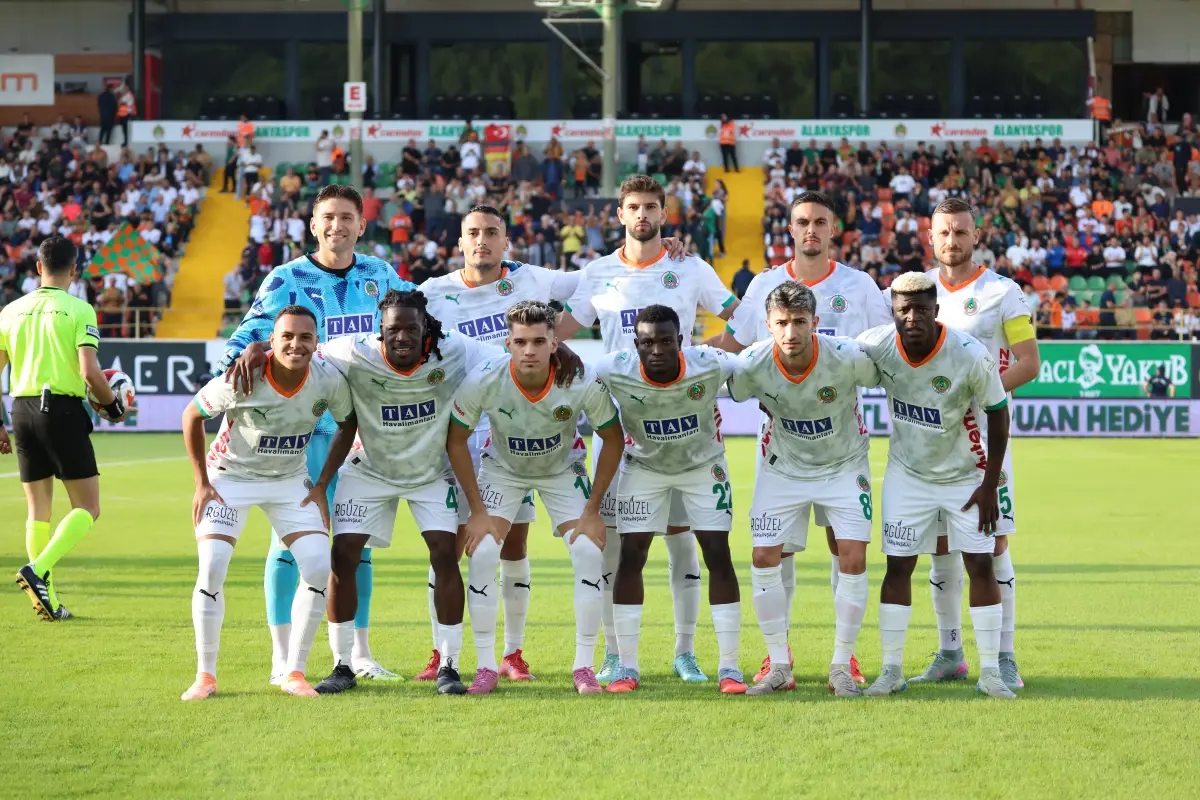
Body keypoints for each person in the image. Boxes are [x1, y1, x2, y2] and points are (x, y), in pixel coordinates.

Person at [217, 185, 417, 684]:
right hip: (302, 431)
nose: (337, 226)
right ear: (313, 224)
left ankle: (359, 654)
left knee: (356, 543)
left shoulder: (381, 276)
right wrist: (250, 352)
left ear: (361, 224)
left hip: (362, 430)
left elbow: (420, 325)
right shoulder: (285, 279)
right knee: (289, 541)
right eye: (328, 217)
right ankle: (281, 658)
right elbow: (239, 344)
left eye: (347, 217)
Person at [555, 173, 740, 685]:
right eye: (633, 207)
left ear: (664, 213)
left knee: (683, 544)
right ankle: (616, 655)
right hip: (619, 431)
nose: (642, 214)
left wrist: (706, 355)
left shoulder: (689, 267)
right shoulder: (597, 272)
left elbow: (742, 319)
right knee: (615, 547)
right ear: (620, 214)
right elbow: (559, 332)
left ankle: (686, 652)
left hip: (683, 428)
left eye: (651, 207)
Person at [714, 190, 889, 686]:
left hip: (841, 444)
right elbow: (731, 351)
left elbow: (885, 354)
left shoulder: (860, 286)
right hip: (781, 446)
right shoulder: (763, 285)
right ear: (789, 229)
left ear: (833, 229)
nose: (811, 229)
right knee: (777, 550)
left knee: (843, 545)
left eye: (819, 222)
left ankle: (845, 659)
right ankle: (779, 655)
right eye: (802, 222)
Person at [310, 290, 506, 696]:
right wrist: (256, 352)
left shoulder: (454, 348)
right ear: (379, 331)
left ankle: (449, 666)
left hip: (429, 473)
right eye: (393, 329)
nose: (402, 337)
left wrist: (561, 353)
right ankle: (342, 664)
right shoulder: (353, 351)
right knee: (342, 556)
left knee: (445, 555)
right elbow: (300, 351)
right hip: (369, 470)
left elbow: (507, 358)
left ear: (426, 329)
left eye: (411, 329)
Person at [448, 300, 626, 695]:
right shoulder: (485, 378)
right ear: (508, 344)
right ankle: (486, 667)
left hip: (562, 471)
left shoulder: (580, 379)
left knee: (589, 552)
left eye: (539, 342)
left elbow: (613, 438)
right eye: (521, 342)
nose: (529, 350)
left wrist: (593, 509)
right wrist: (476, 510)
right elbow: (457, 439)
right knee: (481, 553)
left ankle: (583, 667)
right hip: (503, 470)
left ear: (554, 343)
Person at [856, 271, 1015, 699]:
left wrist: (989, 484)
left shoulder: (968, 353)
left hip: (965, 477)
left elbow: (998, 413)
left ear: (936, 310)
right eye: (903, 310)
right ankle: (891, 670)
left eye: (921, 309)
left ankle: (991, 672)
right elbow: (833, 365)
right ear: (893, 311)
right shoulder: (875, 345)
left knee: (980, 564)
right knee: (898, 566)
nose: (912, 318)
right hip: (907, 476)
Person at [180, 305, 351, 700]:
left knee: (317, 566)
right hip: (230, 478)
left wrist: (322, 483)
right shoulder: (244, 376)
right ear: (271, 340)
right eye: (286, 336)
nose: (296, 344)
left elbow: (348, 423)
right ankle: (205, 676)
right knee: (212, 566)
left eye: (305, 337)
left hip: (289, 481)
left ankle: (294, 672)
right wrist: (201, 483)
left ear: (316, 342)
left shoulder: (327, 378)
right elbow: (192, 415)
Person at [726, 282, 879, 696]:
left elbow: (890, 374)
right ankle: (778, 666)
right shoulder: (752, 364)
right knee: (763, 557)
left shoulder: (847, 357)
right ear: (768, 324)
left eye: (799, 321)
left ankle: (841, 665)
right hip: (783, 468)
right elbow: (724, 387)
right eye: (781, 323)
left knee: (852, 557)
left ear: (816, 322)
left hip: (844, 466)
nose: (790, 332)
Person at [913, 197, 1040, 693]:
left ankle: (1004, 657)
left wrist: (978, 395)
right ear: (930, 237)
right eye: (943, 232)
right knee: (940, 545)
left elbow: (1028, 363)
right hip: (929, 442)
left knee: (994, 541)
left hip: (986, 441)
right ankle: (950, 653)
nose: (952, 240)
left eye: (961, 232)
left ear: (976, 236)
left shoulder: (1002, 292)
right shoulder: (914, 291)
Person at [593, 305, 745, 694]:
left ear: (681, 341)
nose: (657, 349)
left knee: (717, 553)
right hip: (644, 469)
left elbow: (754, 365)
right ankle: (627, 665)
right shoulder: (613, 369)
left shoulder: (710, 364)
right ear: (636, 345)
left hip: (703, 467)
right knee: (631, 555)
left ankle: (729, 667)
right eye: (648, 343)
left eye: (666, 341)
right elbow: (574, 374)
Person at [2, 236, 129, 621]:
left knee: (37, 510)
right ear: (74, 270)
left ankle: (49, 601)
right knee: (88, 507)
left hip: (21, 411)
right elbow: (90, 371)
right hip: (60, 409)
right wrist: (113, 406)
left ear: (38, 267)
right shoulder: (79, 309)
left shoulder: (10, 311)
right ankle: (38, 570)